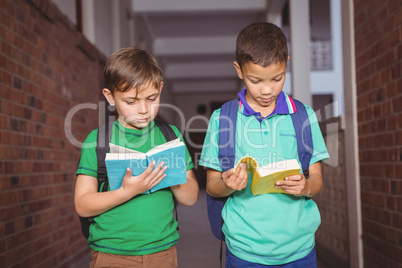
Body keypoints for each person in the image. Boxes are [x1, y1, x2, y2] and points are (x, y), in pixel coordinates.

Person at [199, 22, 329, 267]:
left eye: (277, 78)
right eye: (256, 80)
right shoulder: (223, 119)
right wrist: (229, 185)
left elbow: (317, 179)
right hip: (244, 250)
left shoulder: (303, 116)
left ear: (286, 64)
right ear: (239, 70)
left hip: (300, 249)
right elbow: (213, 186)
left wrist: (306, 187)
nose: (267, 90)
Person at [75, 47, 199, 268]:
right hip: (112, 254)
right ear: (110, 97)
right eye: (131, 101)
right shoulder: (98, 141)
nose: (143, 109)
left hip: (163, 252)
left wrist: (167, 175)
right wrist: (127, 191)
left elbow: (190, 198)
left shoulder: (170, 136)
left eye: (152, 98)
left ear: (161, 89)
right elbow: (83, 204)